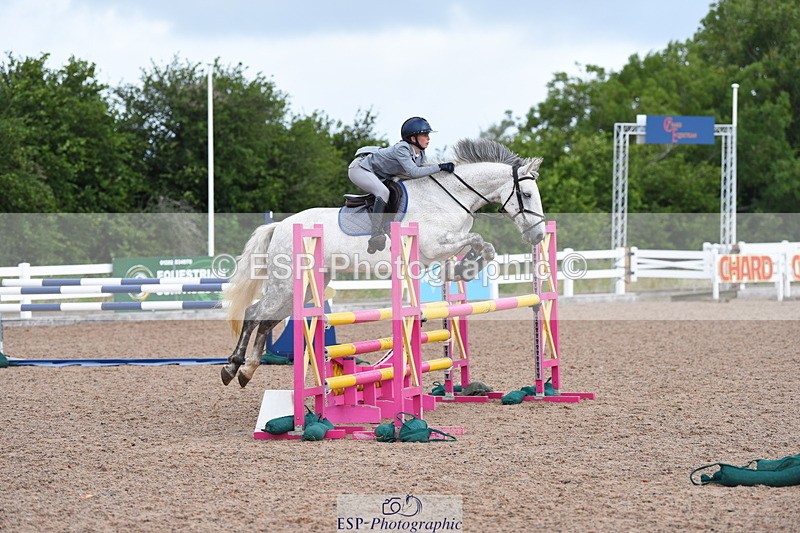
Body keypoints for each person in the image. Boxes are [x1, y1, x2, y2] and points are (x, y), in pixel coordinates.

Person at [348, 116, 456, 253]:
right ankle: (375, 234)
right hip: (360, 169)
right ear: (413, 138)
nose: (428, 138)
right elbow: (415, 172)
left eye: (428, 135)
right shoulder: (402, 148)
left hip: (380, 174)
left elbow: (421, 173)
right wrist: (440, 167)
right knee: (383, 192)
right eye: (424, 135)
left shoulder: (421, 154)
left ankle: (388, 224)